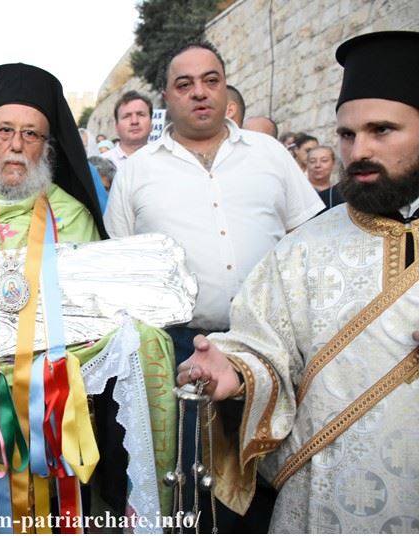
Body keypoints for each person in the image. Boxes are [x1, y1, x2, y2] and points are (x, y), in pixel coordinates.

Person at [0, 63, 178, 529]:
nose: (17, 144)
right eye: (4, 130)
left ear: (49, 145)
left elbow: (96, 318)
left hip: (51, 415)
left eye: (32, 134)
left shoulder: (74, 218)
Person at [176, 30, 418, 533]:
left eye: (382, 131)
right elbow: (264, 345)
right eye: (347, 135)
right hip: (319, 500)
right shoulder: (303, 247)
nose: (360, 151)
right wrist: (236, 370)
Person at [104, 40, 323, 531]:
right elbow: (121, 267)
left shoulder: (268, 154)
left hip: (274, 347)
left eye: (211, 81)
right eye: (184, 84)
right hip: (177, 351)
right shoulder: (136, 172)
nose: (199, 93)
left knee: (274, 471)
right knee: (187, 481)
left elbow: (311, 240)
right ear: (166, 96)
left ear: (225, 89)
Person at [102, 90, 153, 172]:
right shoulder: (100, 165)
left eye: (140, 114)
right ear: (116, 127)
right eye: (127, 116)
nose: (134, 121)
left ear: (151, 124)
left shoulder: (166, 163)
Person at [306, 145, 343, 211]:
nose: (318, 165)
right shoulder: (301, 191)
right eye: (312, 161)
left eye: (324, 160)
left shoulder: (339, 192)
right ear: (307, 164)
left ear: (333, 163)